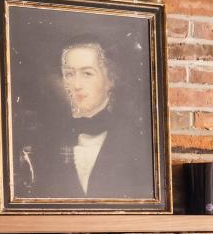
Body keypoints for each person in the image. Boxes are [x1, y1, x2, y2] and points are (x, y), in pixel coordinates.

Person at [15, 37, 153, 200]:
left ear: (110, 79)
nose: (76, 84)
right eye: (69, 74)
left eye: (87, 73)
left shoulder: (137, 140)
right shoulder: (46, 140)